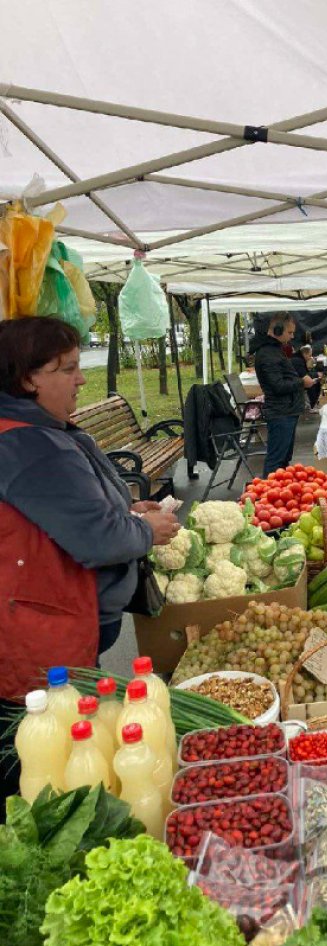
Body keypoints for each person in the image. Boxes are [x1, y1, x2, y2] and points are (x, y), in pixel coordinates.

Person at [0, 317, 180, 794]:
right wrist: (144, 529)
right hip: (46, 626)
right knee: (53, 758)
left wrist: (126, 509)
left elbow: (69, 514)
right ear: (27, 378)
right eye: (68, 369)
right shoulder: (31, 446)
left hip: (43, 617)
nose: (81, 379)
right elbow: (98, 538)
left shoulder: (34, 431)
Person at [251, 313, 318, 475]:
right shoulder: (268, 354)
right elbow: (278, 386)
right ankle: (267, 494)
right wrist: (302, 382)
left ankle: (277, 492)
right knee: (276, 459)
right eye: (290, 332)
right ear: (278, 330)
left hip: (286, 411)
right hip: (281, 413)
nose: (292, 336)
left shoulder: (274, 350)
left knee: (283, 459)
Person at [291, 344, 321, 410]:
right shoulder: (298, 361)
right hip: (295, 387)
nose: (310, 357)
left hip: (296, 384)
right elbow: (305, 378)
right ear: (304, 354)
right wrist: (315, 378)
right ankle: (311, 406)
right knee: (312, 384)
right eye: (310, 355)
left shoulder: (298, 359)